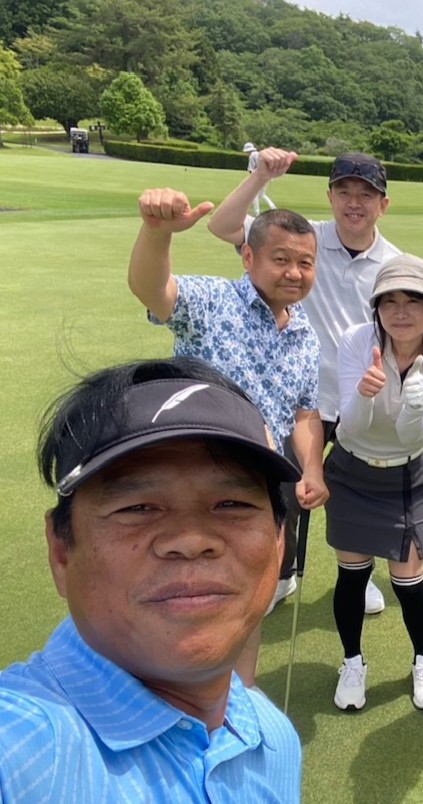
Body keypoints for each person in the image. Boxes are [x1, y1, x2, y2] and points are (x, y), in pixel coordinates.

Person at [0, 358, 303, 804]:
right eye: (137, 507)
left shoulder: (273, 737)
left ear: (280, 542)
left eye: (232, 503)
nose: (191, 539)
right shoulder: (19, 753)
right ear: (60, 550)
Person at [128, 188, 328, 685]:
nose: (294, 272)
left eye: (305, 263)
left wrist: (312, 467)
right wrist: (157, 234)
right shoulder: (215, 301)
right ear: (248, 257)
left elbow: (304, 413)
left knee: (247, 601)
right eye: (281, 259)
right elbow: (153, 290)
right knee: (181, 602)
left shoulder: (306, 335)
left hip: (256, 489)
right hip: (188, 486)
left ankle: (238, 700)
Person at [209, 148, 398, 616]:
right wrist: (259, 177)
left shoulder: (394, 263)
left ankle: (359, 576)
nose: (354, 202)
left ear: (383, 204)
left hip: (359, 399)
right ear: (330, 196)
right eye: (344, 191)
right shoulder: (302, 240)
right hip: (298, 396)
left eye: (366, 194)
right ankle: (283, 573)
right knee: (286, 490)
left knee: (356, 493)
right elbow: (223, 226)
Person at [327, 254, 423, 712]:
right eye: (389, 301)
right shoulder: (357, 341)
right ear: (376, 307)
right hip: (351, 471)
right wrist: (365, 395)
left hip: (405, 477)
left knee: (408, 583)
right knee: (352, 578)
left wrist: (414, 406)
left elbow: (413, 436)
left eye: (413, 301)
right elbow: (351, 427)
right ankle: (352, 663)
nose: (400, 312)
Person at [243, 142, 276, 214]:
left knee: (254, 195)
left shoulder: (252, 156)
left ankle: (257, 211)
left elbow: (251, 169)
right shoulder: (260, 154)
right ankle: (273, 207)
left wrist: (251, 180)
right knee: (262, 195)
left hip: (259, 177)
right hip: (266, 176)